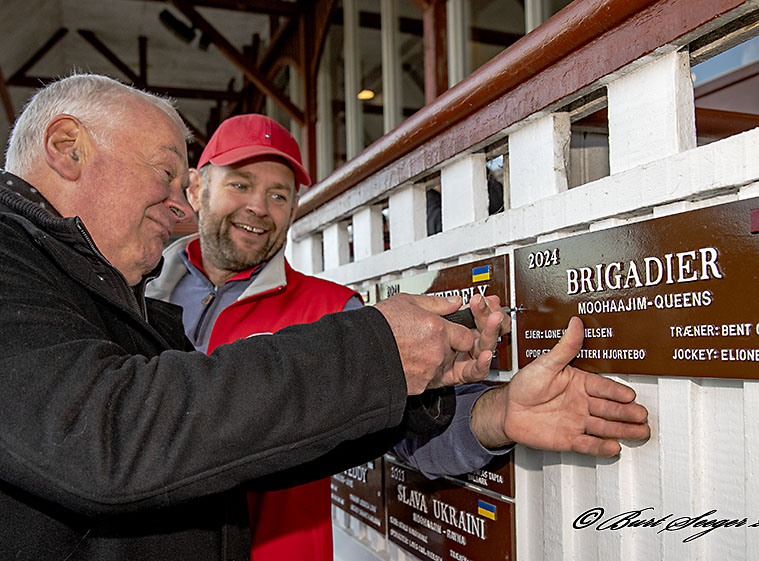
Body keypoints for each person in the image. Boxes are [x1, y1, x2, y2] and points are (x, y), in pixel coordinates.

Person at [0, 74, 650, 560]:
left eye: (280, 194)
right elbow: (121, 435)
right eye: (169, 176)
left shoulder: (128, 299)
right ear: (67, 146)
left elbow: (293, 433)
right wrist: (376, 352)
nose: (176, 208)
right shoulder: (51, 271)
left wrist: (490, 414)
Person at [147, 114, 517, 560]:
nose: (259, 208)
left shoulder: (336, 310)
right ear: (196, 189)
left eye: (278, 194)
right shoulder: (136, 291)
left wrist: (498, 415)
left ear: (293, 210)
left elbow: (408, 435)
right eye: (240, 185)